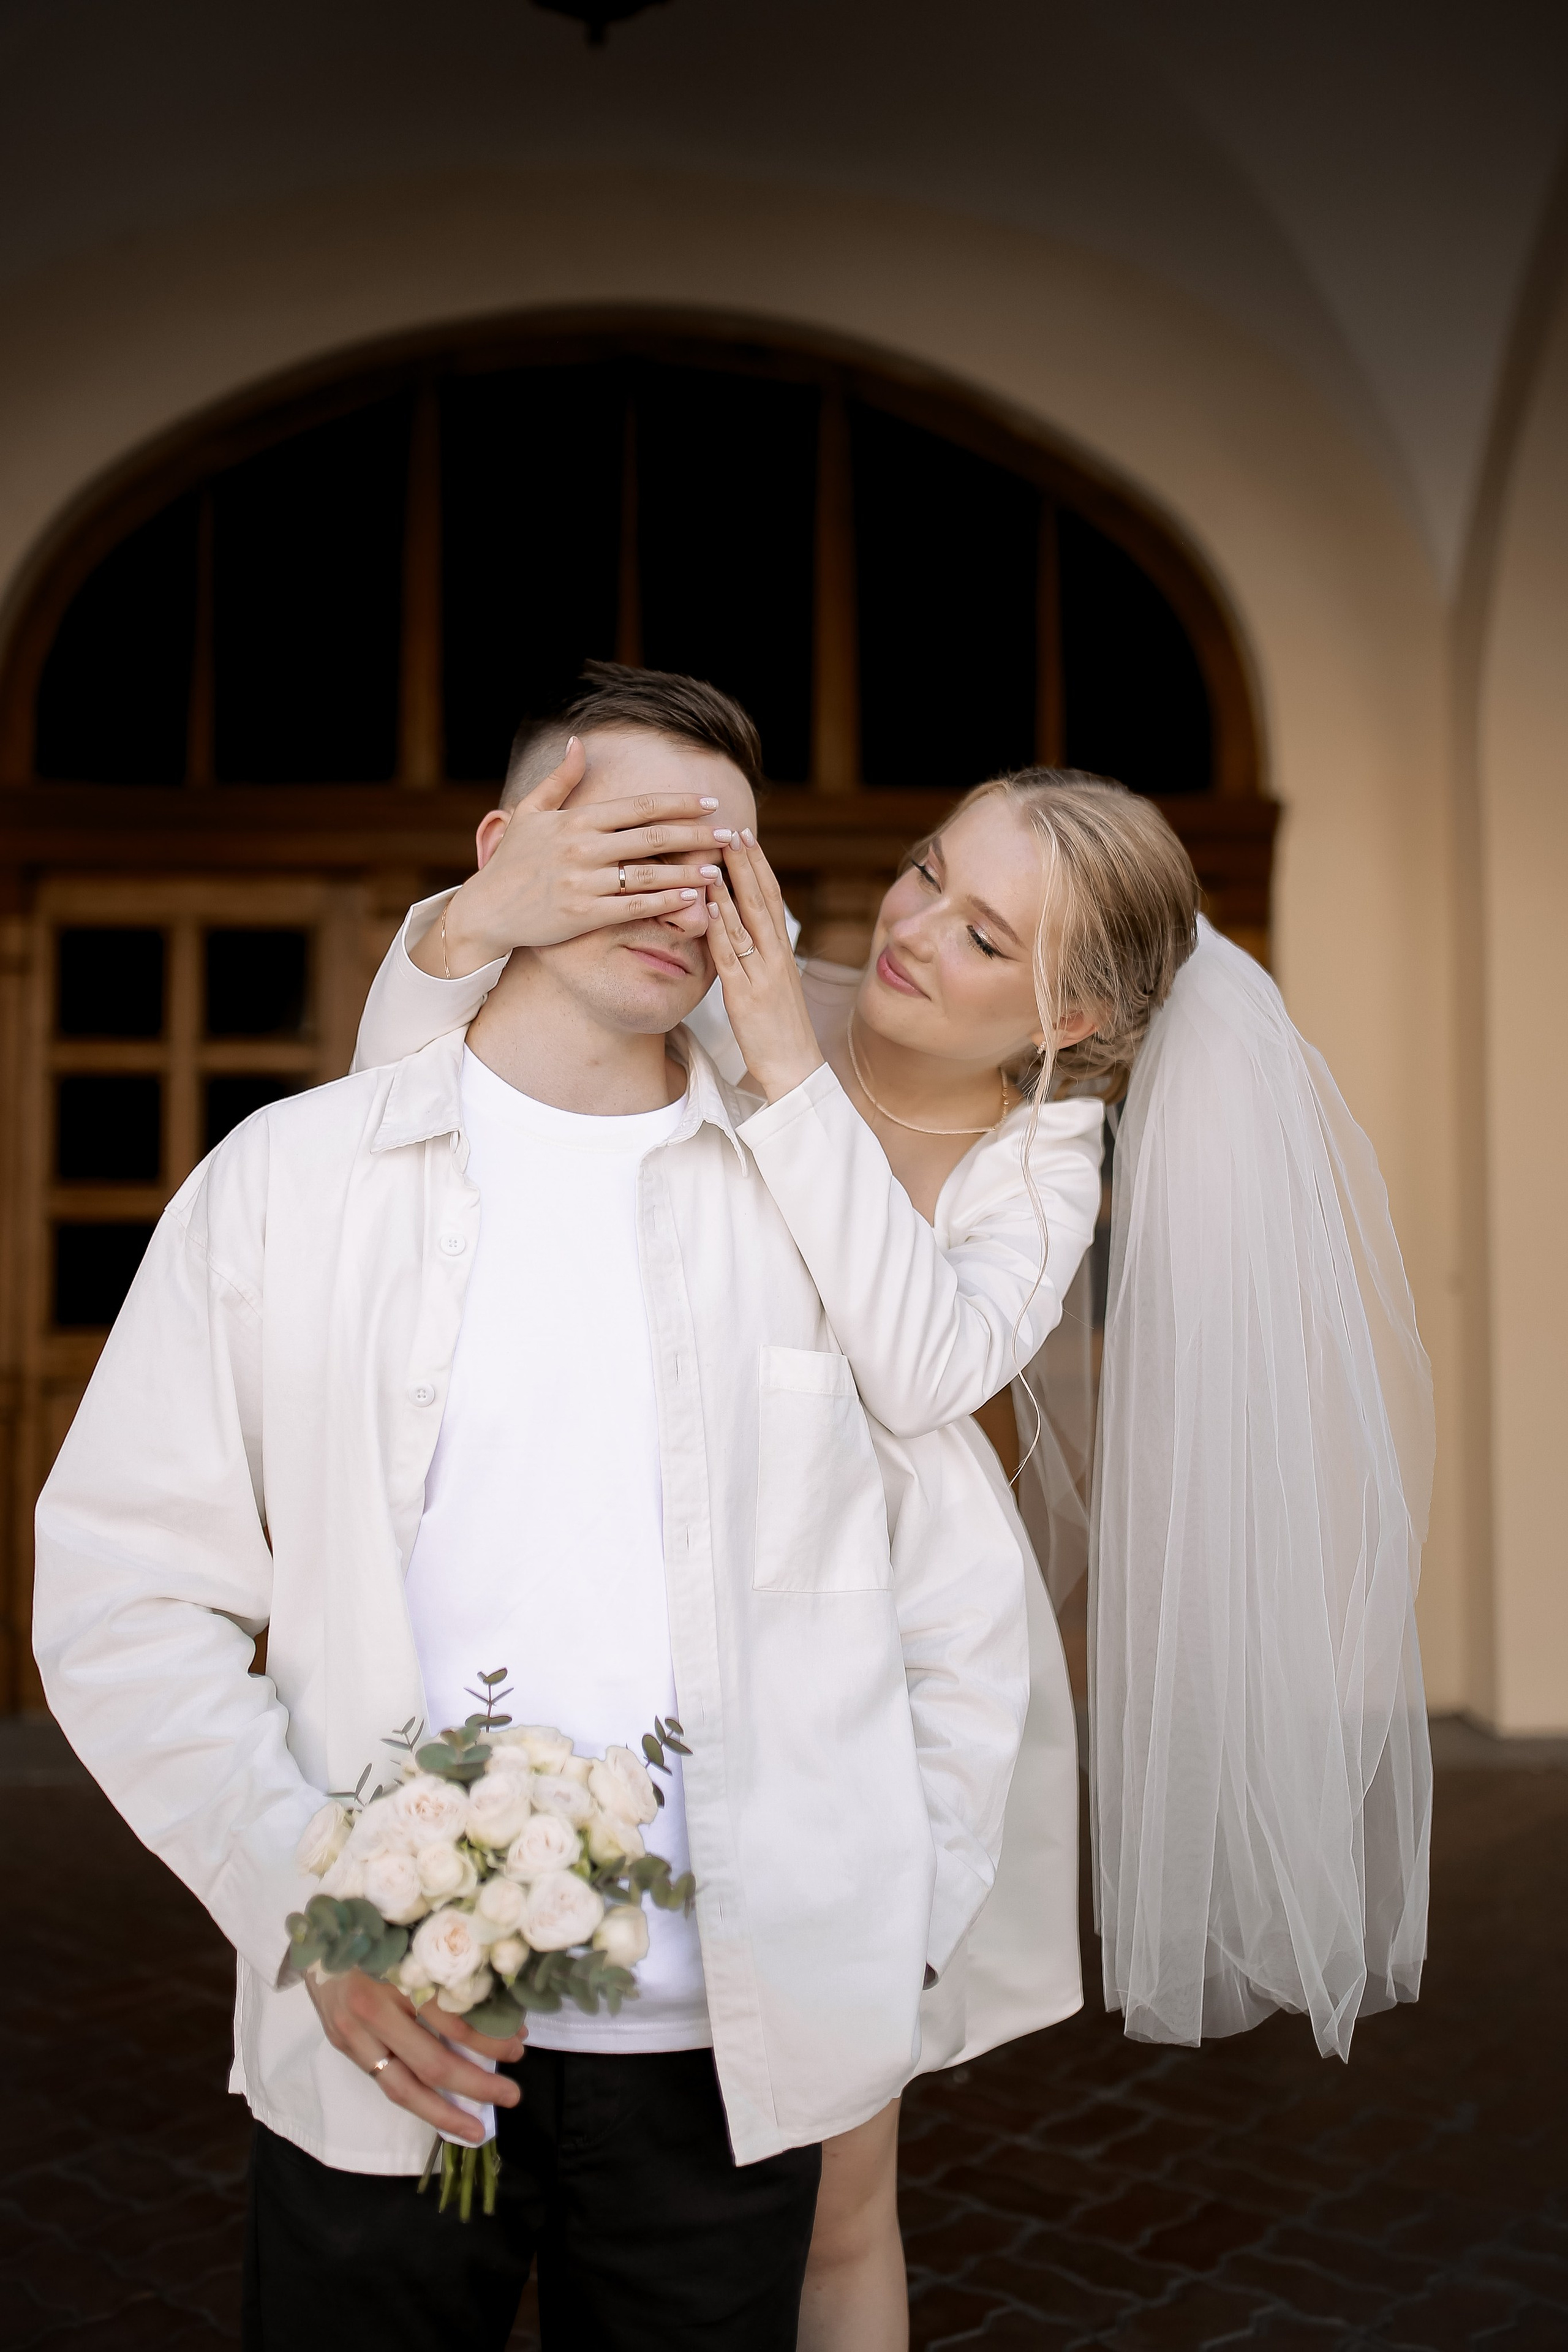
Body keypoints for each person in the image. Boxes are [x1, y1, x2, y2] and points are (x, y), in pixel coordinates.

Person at [355, 673, 1433, 2352]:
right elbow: (427, 1094)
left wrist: (789, 1071)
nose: (920, 930)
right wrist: (466, 928)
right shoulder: (735, 996)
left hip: (873, 1673)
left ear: (1068, 1016)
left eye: (988, 939)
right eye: (933, 870)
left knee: (838, 2187)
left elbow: (924, 1366)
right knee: (524, 2154)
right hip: (624, 1613)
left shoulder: (1039, 1157)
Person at [31, 669, 1037, 2352]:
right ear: (505, 853)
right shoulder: (287, 1183)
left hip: (731, 2055)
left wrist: (887, 1929)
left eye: (725, 866)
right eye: (634, 842)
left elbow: (955, 1612)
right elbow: (126, 1593)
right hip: (385, 2037)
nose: (678, 895)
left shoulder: (818, 1215)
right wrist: (311, 1907)